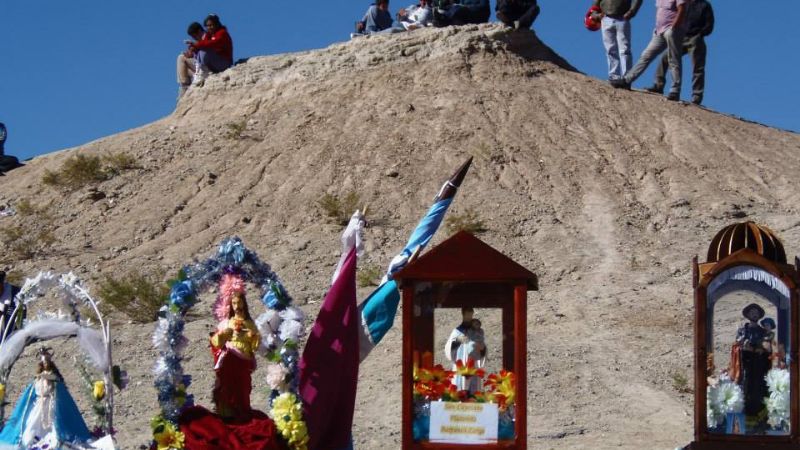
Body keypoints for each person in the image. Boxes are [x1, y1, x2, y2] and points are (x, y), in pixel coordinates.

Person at [0, 348, 93, 448]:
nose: (45, 365)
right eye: (44, 363)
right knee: (32, 426)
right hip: (38, 405)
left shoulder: (55, 380)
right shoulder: (37, 380)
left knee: (53, 425)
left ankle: (52, 439)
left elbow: (59, 390)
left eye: (47, 362)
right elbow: (30, 393)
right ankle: (32, 439)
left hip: (50, 404)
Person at [612, 0, 688, 101]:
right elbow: (660, 11)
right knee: (646, 55)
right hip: (659, 31)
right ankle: (627, 80)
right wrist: (657, 29)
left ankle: (675, 90)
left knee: (673, 59)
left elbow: (682, 9)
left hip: (672, 31)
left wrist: (673, 28)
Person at [647, 0, 713, 104]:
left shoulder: (705, 5)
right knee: (665, 58)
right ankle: (658, 85)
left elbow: (709, 24)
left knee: (697, 68)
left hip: (695, 38)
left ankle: (697, 96)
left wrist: (700, 34)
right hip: (681, 36)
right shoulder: (683, 3)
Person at [210, 289, 261, 421]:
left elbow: (255, 345)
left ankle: (243, 410)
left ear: (244, 304)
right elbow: (217, 341)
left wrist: (253, 337)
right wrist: (223, 334)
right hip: (230, 359)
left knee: (243, 386)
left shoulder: (250, 323)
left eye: (239, 303)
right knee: (227, 384)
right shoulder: (227, 323)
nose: (237, 306)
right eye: (234, 303)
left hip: (243, 360)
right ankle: (227, 412)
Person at [732, 303, 771, 420]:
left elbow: (766, 348)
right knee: (745, 387)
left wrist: (759, 349)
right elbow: (737, 345)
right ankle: (744, 417)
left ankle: (759, 418)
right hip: (745, 364)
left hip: (759, 366)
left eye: (756, 312)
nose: (754, 314)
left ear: (759, 315)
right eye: (752, 312)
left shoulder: (763, 332)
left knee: (758, 389)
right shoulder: (742, 330)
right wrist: (744, 345)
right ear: (748, 314)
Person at [591, 0, 642, 82]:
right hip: (606, 18)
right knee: (610, 50)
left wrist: (632, 12)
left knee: (624, 50)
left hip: (622, 18)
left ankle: (626, 79)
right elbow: (595, 4)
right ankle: (614, 76)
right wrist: (594, 14)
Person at [444, 308, 487, 393]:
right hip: (461, 363)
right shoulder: (456, 331)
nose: (469, 317)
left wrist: (483, 349)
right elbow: (448, 347)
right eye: (467, 315)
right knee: (460, 390)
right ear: (463, 314)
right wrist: (457, 340)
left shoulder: (478, 331)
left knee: (473, 392)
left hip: (473, 363)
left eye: (470, 315)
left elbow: (482, 345)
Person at [189, 14, 233, 86]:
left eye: (211, 25)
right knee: (182, 58)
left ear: (216, 24)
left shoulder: (222, 33)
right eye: (207, 26)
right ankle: (185, 84)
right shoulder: (209, 35)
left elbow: (212, 43)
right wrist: (193, 49)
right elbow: (203, 44)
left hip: (224, 63)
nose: (209, 28)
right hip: (215, 62)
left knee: (205, 48)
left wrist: (197, 45)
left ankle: (203, 72)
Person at [177, 22, 205, 99]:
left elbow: (204, 51)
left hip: (205, 67)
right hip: (199, 67)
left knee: (181, 58)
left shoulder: (206, 37)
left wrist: (195, 46)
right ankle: (184, 86)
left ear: (199, 31)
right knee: (182, 60)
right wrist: (191, 53)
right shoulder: (199, 40)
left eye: (194, 36)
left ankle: (185, 87)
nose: (194, 38)